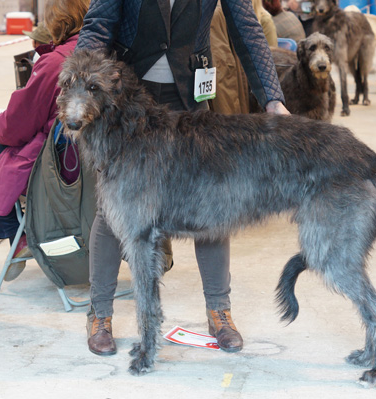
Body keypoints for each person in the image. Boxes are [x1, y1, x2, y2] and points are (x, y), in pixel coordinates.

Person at [75, 0, 289, 357]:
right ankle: (101, 314)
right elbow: (98, 25)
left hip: (190, 91)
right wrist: (84, 86)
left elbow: (246, 29)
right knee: (113, 211)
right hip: (126, 98)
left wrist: (272, 99)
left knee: (210, 202)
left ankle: (219, 311)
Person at [0, 0, 89, 282]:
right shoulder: (107, 56)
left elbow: (16, 127)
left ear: (57, 22)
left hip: (60, 171)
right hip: (98, 168)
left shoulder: (55, 63)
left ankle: (17, 235)